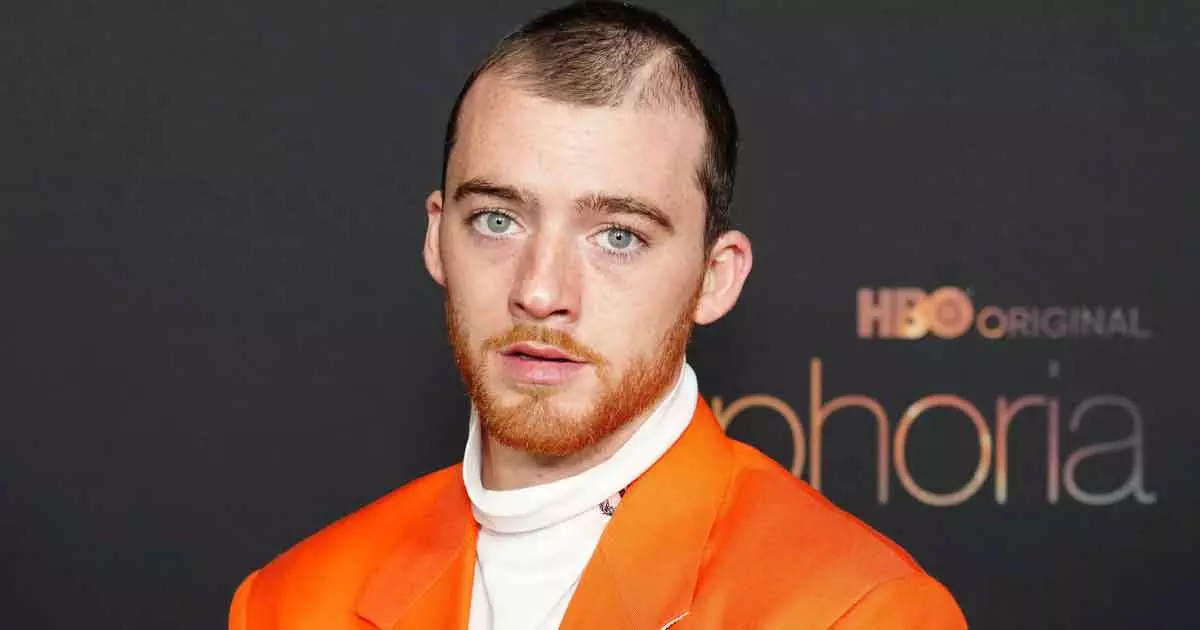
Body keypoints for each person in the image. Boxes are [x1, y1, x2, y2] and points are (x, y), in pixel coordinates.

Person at [229, 2, 967, 628]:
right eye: (496, 220)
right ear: (436, 238)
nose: (540, 291)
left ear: (714, 279)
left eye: (618, 236)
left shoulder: (855, 611)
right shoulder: (290, 604)